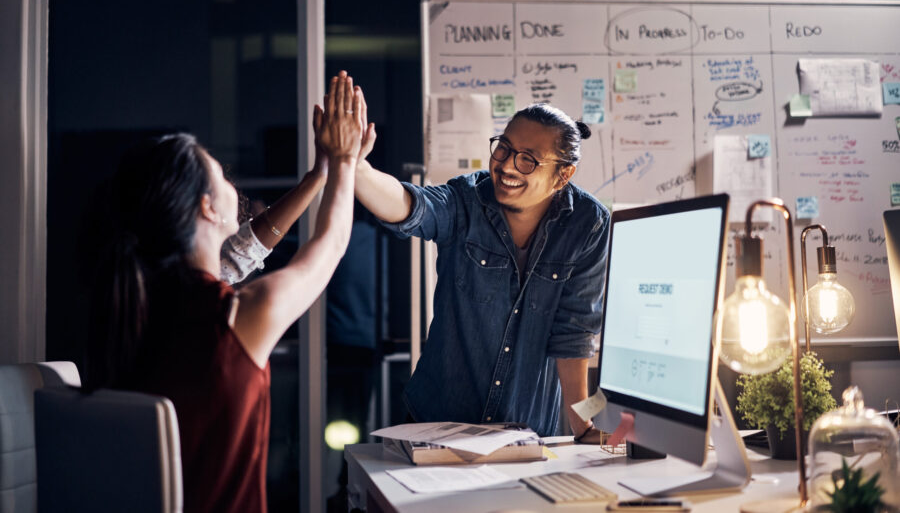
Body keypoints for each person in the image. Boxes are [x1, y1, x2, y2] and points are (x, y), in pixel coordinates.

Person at [86, 72, 364, 513]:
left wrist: (319, 174)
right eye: (221, 174)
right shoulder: (235, 319)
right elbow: (328, 247)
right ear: (207, 207)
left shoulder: (142, 305)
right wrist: (346, 160)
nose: (233, 184)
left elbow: (241, 254)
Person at [354, 102, 610, 441]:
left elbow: (574, 334)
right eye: (504, 147)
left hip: (525, 434)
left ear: (563, 175)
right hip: (434, 424)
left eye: (527, 159)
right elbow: (411, 206)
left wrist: (584, 425)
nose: (506, 166)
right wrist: (355, 168)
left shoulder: (588, 224)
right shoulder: (466, 199)